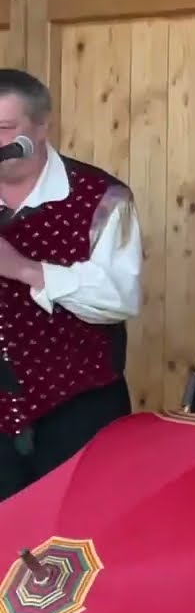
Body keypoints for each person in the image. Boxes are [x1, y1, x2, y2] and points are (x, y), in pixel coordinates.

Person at [0, 68, 140, 502]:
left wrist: (26, 269)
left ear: (42, 127)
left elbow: (120, 298)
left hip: (78, 405)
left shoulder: (101, 197)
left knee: (78, 535)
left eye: (4, 128)